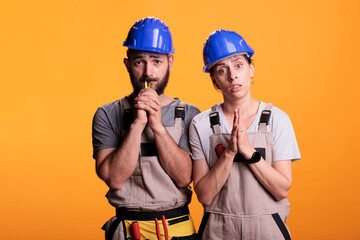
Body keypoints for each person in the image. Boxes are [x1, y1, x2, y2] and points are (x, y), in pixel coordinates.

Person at [92, 17, 200, 240]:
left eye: (157, 61)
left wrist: (157, 126)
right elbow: (114, 178)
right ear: (127, 64)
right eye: (139, 61)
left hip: (178, 229)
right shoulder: (107, 114)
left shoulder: (190, 114)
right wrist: (138, 123)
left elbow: (184, 178)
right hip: (128, 231)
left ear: (170, 62)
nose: (148, 72)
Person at [189, 30, 301, 239]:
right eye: (222, 70)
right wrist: (230, 152)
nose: (232, 75)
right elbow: (204, 195)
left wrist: (249, 151)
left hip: (268, 230)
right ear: (214, 81)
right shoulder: (201, 124)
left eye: (238, 65)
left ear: (251, 69)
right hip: (218, 232)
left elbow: (281, 189)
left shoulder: (278, 119)